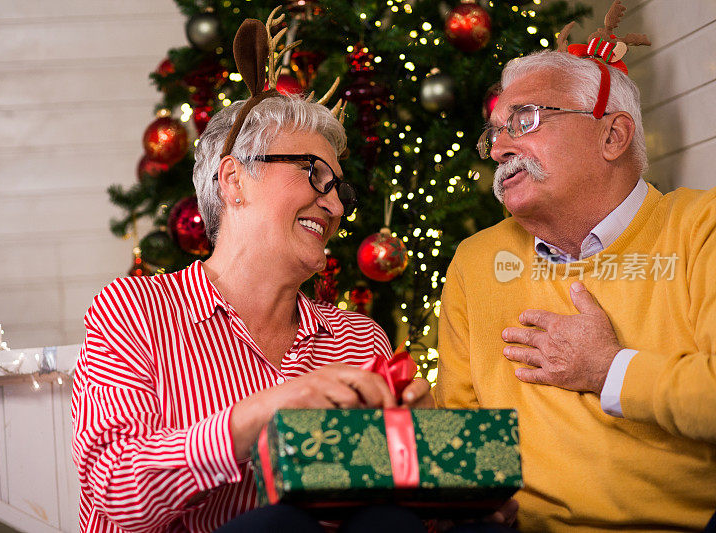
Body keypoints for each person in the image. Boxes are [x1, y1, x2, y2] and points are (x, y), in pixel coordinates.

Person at [71, 89, 437, 533]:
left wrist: (429, 474)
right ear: (234, 180)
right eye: (314, 173)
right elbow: (117, 492)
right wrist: (260, 413)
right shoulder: (135, 310)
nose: (336, 206)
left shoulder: (359, 340)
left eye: (340, 189)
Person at [434, 43, 716, 531]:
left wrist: (609, 370)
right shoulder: (476, 261)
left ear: (612, 135)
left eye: (525, 120)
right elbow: (462, 430)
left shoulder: (700, 228)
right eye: (495, 133)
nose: (500, 148)